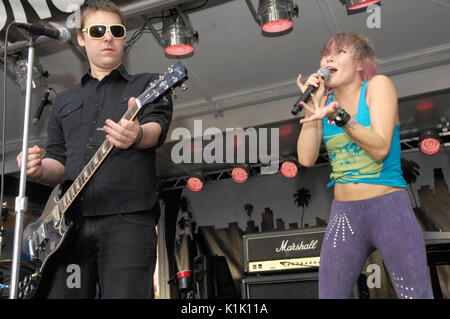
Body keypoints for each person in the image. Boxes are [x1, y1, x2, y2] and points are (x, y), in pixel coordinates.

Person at [16, 0, 172, 298]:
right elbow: (57, 163)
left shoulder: (149, 84)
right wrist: (37, 168)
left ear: (125, 37)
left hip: (128, 220)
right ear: (81, 38)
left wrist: (138, 135)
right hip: (67, 229)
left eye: (116, 30)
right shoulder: (64, 100)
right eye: (98, 30)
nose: (108, 37)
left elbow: (156, 130)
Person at [296, 32, 433, 299]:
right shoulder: (323, 105)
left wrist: (342, 118)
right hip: (345, 214)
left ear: (360, 64)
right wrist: (311, 110)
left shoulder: (378, 86)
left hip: (389, 207)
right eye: (326, 54)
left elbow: (380, 147)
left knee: (415, 294)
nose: (329, 58)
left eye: (340, 52)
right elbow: (305, 159)